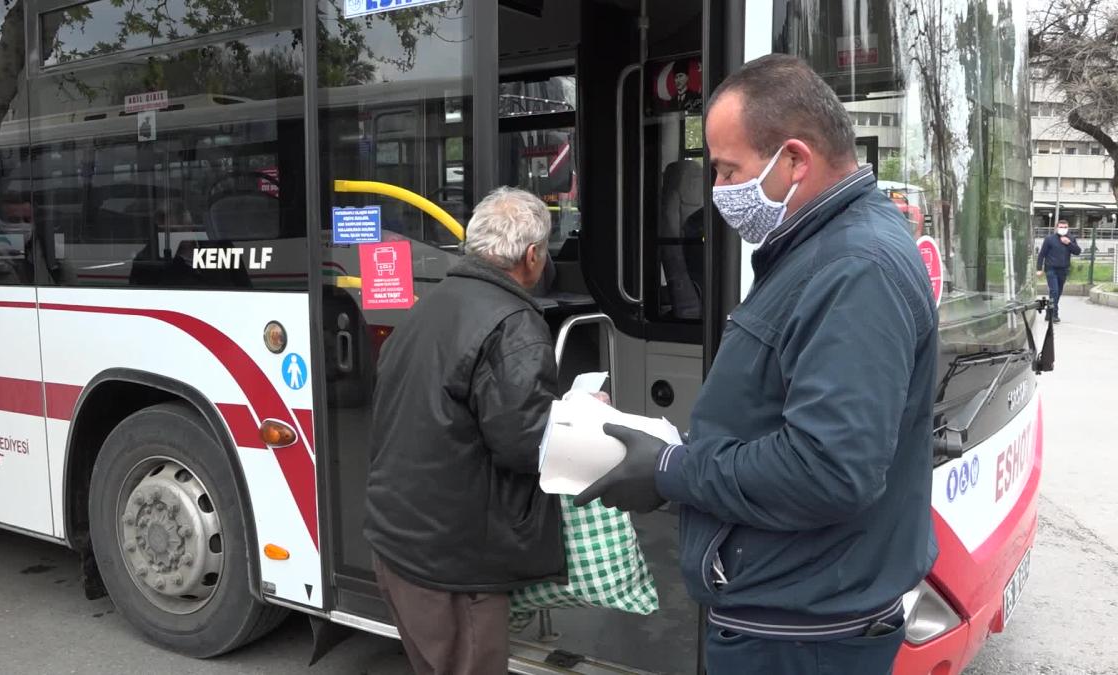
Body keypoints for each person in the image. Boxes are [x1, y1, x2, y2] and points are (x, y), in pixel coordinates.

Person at [575, 54, 939, 675]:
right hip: (795, 613)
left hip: (801, 635)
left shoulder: (855, 270)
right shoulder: (823, 250)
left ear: (794, 159)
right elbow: (773, 416)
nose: (717, 192)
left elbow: (829, 469)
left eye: (727, 170)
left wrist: (670, 468)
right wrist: (657, 444)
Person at [364, 186, 568, 675]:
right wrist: (576, 414)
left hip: (397, 543)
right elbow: (525, 444)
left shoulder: (429, 304)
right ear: (533, 256)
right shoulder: (514, 323)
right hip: (454, 567)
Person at [1037, 219, 1080, 323]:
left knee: (1058, 293)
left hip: (1063, 269)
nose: (1063, 229)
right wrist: (1039, 269)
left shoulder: (1071, 238)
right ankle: (1053, 314)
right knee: (1054, 291)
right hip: (1051, 269)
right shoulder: (1049, 239)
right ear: (1056, 228)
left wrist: (1069, 243)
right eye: (1061, 227)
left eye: (1065, 227)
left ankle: (1049, 312)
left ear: (1068, 228)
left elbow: (1077, 251)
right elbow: (1042, 254)